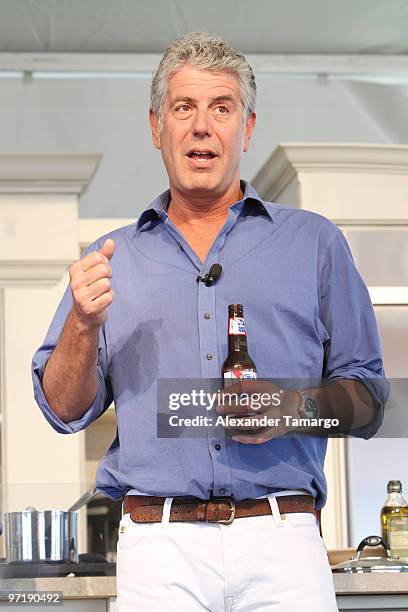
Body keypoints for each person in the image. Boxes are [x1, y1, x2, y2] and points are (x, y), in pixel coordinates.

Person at [32, 32, 388, 611]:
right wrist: (82, 324)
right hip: (158, 548)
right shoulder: (110, 258)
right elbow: (63, 410)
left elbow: (371, 400)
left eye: (221, 108)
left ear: (246, 128)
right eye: (184, 108)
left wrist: (293, 408)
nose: (202, 126)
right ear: (157, 127)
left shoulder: (314, 243)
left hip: (284, 543)